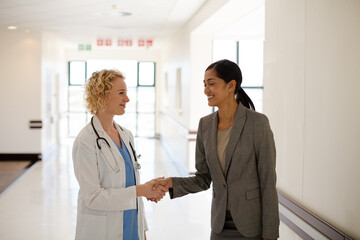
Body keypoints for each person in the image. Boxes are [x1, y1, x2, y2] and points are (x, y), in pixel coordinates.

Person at [162, 59, 279, 239]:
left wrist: (270, 234)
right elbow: (203, 178)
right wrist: (171, 182)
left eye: (212, 84)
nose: (206, 90)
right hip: (219, 225)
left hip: (252, 225)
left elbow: (268, 181)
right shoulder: (205, 125)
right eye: (204, 85)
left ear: (231, 85)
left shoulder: (257, 123)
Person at [72, 69, 167, 240]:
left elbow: (132, 185)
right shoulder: (85, 141)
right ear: (101, 96)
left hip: (131, 228)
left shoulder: (126, 135)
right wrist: (141, 190)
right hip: (104, 231)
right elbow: (93, 197)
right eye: (121, 93)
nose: (127, 99)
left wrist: (142, 230)